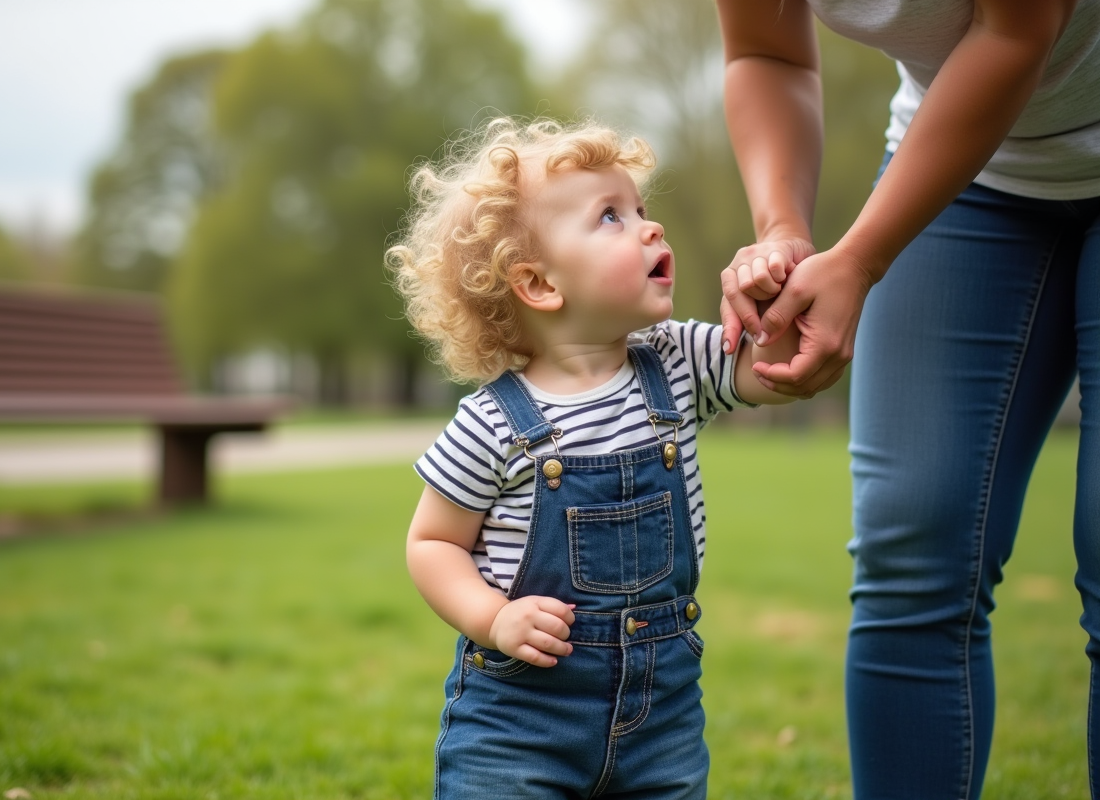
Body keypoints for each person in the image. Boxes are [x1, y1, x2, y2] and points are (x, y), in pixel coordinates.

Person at [712, 1, 1100, 797]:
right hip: (974, 176)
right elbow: (767, 52)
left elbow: (1020, 28)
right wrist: (783, 226)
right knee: (911, 551)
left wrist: (861, 257)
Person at [385, 117, 800, 798]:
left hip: (660, 716)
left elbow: (778, 368)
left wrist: (771, 296)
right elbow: (432, 543)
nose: (650, 227)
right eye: (611, 217)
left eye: (641, 208)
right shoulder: (490, 422)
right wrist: (491, 618)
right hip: (519, 723)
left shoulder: (676, 359)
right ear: (540, 285)